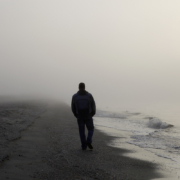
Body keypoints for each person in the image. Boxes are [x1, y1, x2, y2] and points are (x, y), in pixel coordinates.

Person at [71, 83, 96, 150]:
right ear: (84, 87)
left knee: (81, 131)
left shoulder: (75, 96)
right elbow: (93, 105)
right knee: (91, 129)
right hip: (88, 115)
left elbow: (73, 107)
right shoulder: (89, 95)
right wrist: (92, 113)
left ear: (79, 88)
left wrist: (76, 114)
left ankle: (84, 146)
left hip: (79, 115)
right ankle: (88, 140)